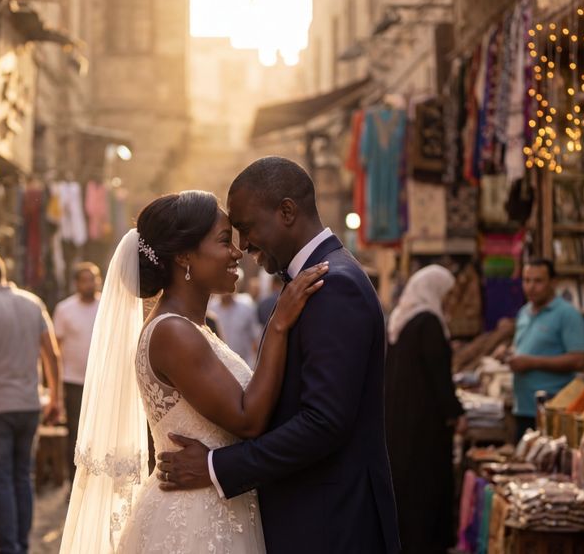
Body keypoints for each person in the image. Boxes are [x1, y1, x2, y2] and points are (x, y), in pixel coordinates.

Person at [59, 190, 326, 553]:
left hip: (217, 507)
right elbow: (247, 419)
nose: (236, 252)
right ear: (184, 255)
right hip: (194, 522)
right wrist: (278, 325)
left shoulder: (192, 328)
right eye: (223, 241)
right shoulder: (173, 332)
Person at [156, 157, 400, 553]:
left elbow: (324, 422)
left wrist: (218, 467)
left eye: (248, 228)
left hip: (332, 524)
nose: (244, 245)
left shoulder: (334, 285)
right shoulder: (313, 283)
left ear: (287, 211)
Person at [0, 252, 60, 554]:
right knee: (22, 477)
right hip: (29, 404)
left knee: (2, 480)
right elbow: (51, 354)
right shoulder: (32, 303)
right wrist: (54, 397)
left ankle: (9, 547)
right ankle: (21, 545)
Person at [385, 265, 466, 554]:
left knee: (408, 484)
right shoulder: (428, 322)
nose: (449, 300)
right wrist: (456, 413)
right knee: (427, 485)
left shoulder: (400, 319)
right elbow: (439, 378)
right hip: (426, 424)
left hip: (401, 422)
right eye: (447, 293)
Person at [505, 258, 584, 440]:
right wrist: (511, 355)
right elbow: (524, 347)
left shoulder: (567, 314)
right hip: (523, 407)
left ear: (553, 282)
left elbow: (579, 359)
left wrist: (532, 362)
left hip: (553, 411)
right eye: (527, 280)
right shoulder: (524, 312)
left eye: (538, 281)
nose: (531, 287)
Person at [51, 262, 101, 481]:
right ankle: (74, 483)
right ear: (76, 284)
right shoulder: (64, 309)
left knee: (100, 432)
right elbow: (56, 348)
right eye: (84, 280)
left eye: (93, 279)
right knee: (75, 432)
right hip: (73, 381)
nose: (89, 284)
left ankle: (97, 481)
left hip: (101, 381)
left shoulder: (107, 306)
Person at [206, 270, 262, 365]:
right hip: (220, 365)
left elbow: (255, 337)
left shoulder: (247, 306)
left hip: (245, 364)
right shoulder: (211, 308)